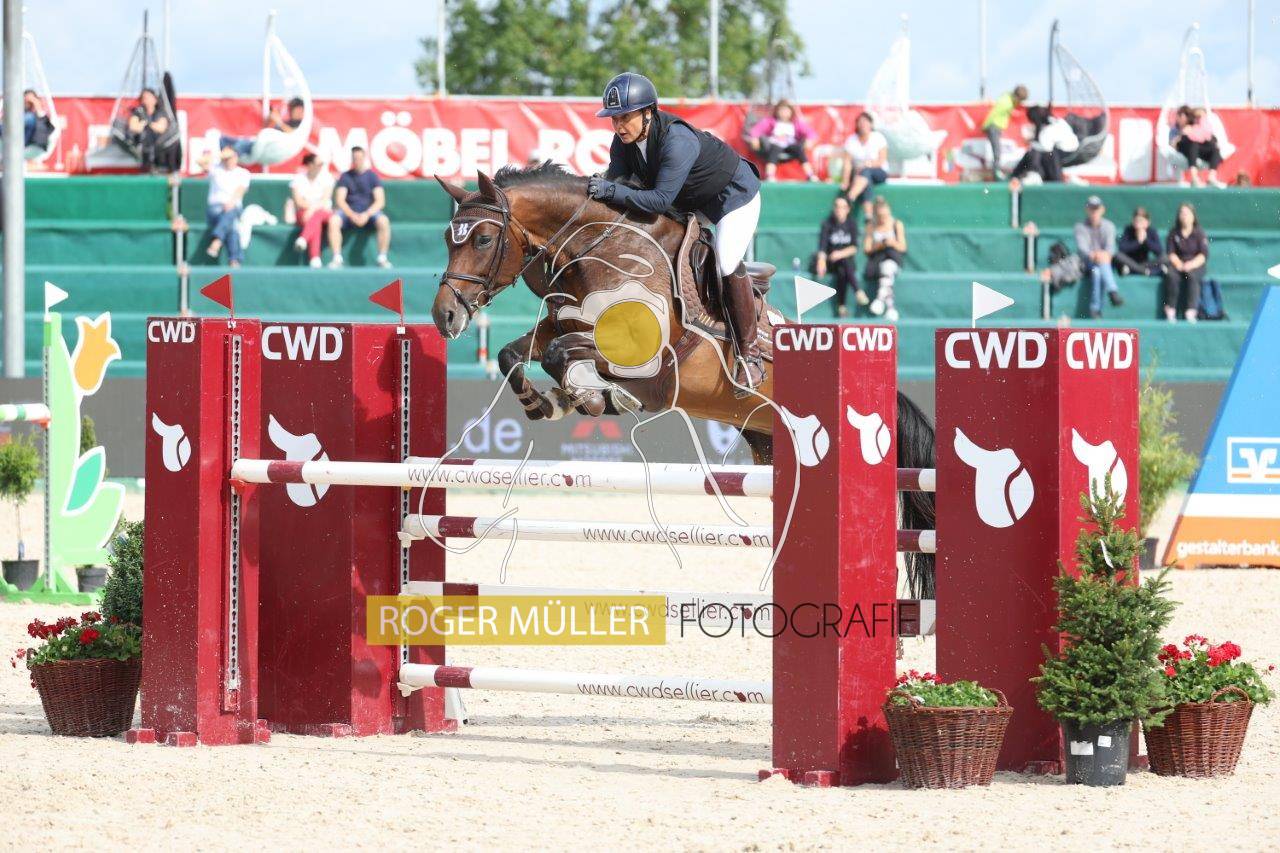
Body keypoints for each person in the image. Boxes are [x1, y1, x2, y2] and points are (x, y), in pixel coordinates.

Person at [588, 71, 765, 393]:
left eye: (625, 117)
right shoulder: (623, 143)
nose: (618, 125)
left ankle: (750, 356)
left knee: (726, 261)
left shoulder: (677, 140)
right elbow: (618, 184)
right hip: (689, 200)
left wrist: (610, 191)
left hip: (732, 196)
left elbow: (657, 200)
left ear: (648, 112)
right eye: (614, 118)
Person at [328, 146, 391, 269]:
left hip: (369, 212)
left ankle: (382, 258)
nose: (357, 161)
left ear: (364, 158)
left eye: (359, 158)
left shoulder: (372, 176)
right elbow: (340, 200)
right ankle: (336, 258)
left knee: (384, 221)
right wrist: (352, 215)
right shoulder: (345, 176)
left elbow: (380, 201)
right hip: (349, 212)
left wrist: (366, 214)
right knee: (333, 220)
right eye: (354, 158)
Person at [199, 145, 251, 267]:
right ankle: (234, 260)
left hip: (233, 208)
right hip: (215, 210)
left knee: (231, 218)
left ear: (236, 157)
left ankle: (217, 241)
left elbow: (241, 190)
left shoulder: (243, 173)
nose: (228, 160)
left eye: (231, 157)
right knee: (233, 224)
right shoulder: (216, 169)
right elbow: (200, 162)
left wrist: (231, 203)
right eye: (226, 158)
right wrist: (220, 155)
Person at [1074, 196, 1124, 318]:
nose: (1094, 211)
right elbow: (1083, 250)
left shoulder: (1109, 226)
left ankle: (1095, 309)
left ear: (1102, 210)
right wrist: (1097, 255)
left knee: (1097, 272)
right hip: (1086, 263)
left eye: (1096, 208)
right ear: (1087, 210)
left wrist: (1102, 255)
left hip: (1104, 262)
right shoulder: (1080, 227)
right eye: (1091, 208)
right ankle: (1112, 291)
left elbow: (1110, 249)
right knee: (1098, 267)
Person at [746, 100, 817, 182]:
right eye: (781, 110)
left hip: (790, 146)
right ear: (777, 111)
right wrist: (754, 138)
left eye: (786, 110)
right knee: (775, 149)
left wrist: (809, 140)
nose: (784, 113)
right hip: (774, 145)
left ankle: (810, 174)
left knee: (799, 149)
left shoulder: (796, 123)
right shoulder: (770, 121)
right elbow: (756, 130)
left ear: (791, 112)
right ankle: (769, 175)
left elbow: (810, 133)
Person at [814, 196, 860, 317]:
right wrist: (821, 261)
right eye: (837, 207)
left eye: (843, 207)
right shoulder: (827, 224)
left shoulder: (851, 224)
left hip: (846, 262)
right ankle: (857, 291)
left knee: (843, 266)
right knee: (842, 265)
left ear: (848, 209)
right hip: (831, 262)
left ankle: (841, 305)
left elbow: (854, 247)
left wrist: (840, 254)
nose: (839, 210)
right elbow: (822, 246)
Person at [862, 196, 906, 322]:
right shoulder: (871, 226)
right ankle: (891, 308)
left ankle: (880, 299)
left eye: (885, 215)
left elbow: (903, 247)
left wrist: (892, 243)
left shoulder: (897, 224)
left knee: (887, 267)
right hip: (877, 260)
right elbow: (867, 249)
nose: (883, 218)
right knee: (886, 273)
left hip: (893, 258)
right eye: (880, 216)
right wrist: (880, 245)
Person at [1009, 105, 1077, 185]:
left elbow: (1045, 147)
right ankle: (1024, 174)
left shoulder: (1048, 129)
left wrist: (1031, 144)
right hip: (1068, 150)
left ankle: (1024, 174)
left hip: (1066, 153)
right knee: (1037, 152)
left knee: (1035, 153)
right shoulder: (1057, 121)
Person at [1163, 202, 1209, 323]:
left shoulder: (1199, 232)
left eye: (1187, 213)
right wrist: (1179, 264)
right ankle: (1170, 310)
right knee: (1171, 276)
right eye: (1181, 213)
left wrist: (1191, 265)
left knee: (1192, 276)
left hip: (1195, 264)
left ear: (1193, 216)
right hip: (1178, 264)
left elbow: (1203, 255)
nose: (1184, 216)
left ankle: (1191, 311)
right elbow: (1171, 253)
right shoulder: (1173, 232)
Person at [221, 97, 306, 161]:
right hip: (259, 143)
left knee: (238, 146)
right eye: (291, 108)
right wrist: (271, 120)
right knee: (226, 140)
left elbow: (292, 133)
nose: (291, 111)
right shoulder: (288, 122)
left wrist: (278, 121)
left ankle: (218, 158)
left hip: (267, 149)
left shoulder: (301, 125)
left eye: (293, 108)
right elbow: (266, 131)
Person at [289, 153, 335, 268]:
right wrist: (311, 209)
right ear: (310, 165)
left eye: (322, 164)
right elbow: (298, 201)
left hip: (323, 212)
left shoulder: (327, 178)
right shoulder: (298, 179)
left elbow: (325, 199)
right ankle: (315, 258)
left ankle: (304, 239)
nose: (321, 167)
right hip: (304, 213)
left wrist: (312, 209)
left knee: (316, 216)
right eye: (319, 164)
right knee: (316, 221)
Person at [840, 113, 888, 219]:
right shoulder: (851, 140)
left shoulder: (878, 138)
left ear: (871, 124)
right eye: (860, 123)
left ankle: (850, 197)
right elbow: (847, 163)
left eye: (866, 122)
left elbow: (881, 160)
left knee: (866, 172)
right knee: (866, 180)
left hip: (878, 172)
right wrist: (845, 181)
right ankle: (868, 216)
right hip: (859, 175)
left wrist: (868, 165)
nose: (863, 125)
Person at [1171, 106, 1225, 188]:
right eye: (1180, 116)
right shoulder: (1175, 129)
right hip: (1183, 147)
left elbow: (1207, 137)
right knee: (1193, 144)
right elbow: (1173, 144)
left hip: (1197, 149)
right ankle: (1194, 178)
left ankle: (1211, 177)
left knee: (1214, 148)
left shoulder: (1197, 127)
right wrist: (1182, 134)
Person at [981, 85, 1028, 180]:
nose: (1020, 103)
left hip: (996, 127)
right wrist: (986, 125)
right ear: (1017, 97)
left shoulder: (1008, 99)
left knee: (997, 150)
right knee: (996, 150)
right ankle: (996, 173)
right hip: (993, 126)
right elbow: (994, 113)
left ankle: (996, 171)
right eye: (1020, 100)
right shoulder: (1006, 102)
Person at [126, 88, 171, 171]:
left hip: (159, 151)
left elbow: (161, 128)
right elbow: (133, 127)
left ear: (155, 99)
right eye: (144, 98)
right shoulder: (138, 112)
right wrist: (145, 124)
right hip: (142, 150)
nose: (147, 100)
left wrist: (147, 123)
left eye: (149, 97)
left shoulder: (161, 112)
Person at [1114, 207, 1163, 277]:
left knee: (1165, 258)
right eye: (1136, 221)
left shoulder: (1151, 231)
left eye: (1141, 221)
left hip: (1145, 263)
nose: (1139, 224)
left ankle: (1131, 270)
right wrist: (1138, 242)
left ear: (1147, 222)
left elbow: (1159, 251)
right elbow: (1122, 249)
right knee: (1118, 256)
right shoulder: (1128, 230)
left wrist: (1145, 240)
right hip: (1130, 262)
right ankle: (1146, 272)